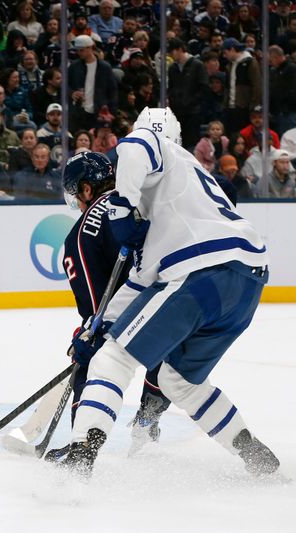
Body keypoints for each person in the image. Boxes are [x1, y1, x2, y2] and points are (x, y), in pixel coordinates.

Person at [61, 107, 279, 478]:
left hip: (199, 273)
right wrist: (101, 325)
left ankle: (83, 454)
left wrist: (122, 207)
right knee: (177, 381)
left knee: (113, 359)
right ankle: (253, 454)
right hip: (248, 280)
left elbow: (137, 146)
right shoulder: (187, 184)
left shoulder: (155, 150)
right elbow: (142, 281)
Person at [47, 151, 172, 462]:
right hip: (185, 294)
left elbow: (95, 307)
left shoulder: (82, 231)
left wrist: (88, 332)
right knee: (168, 347)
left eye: (77, 194)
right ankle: (148, 417)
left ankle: (81, 446)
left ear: (87, 189)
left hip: (129, 309)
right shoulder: (145, 199)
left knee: (88, 357)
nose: (77, 201)